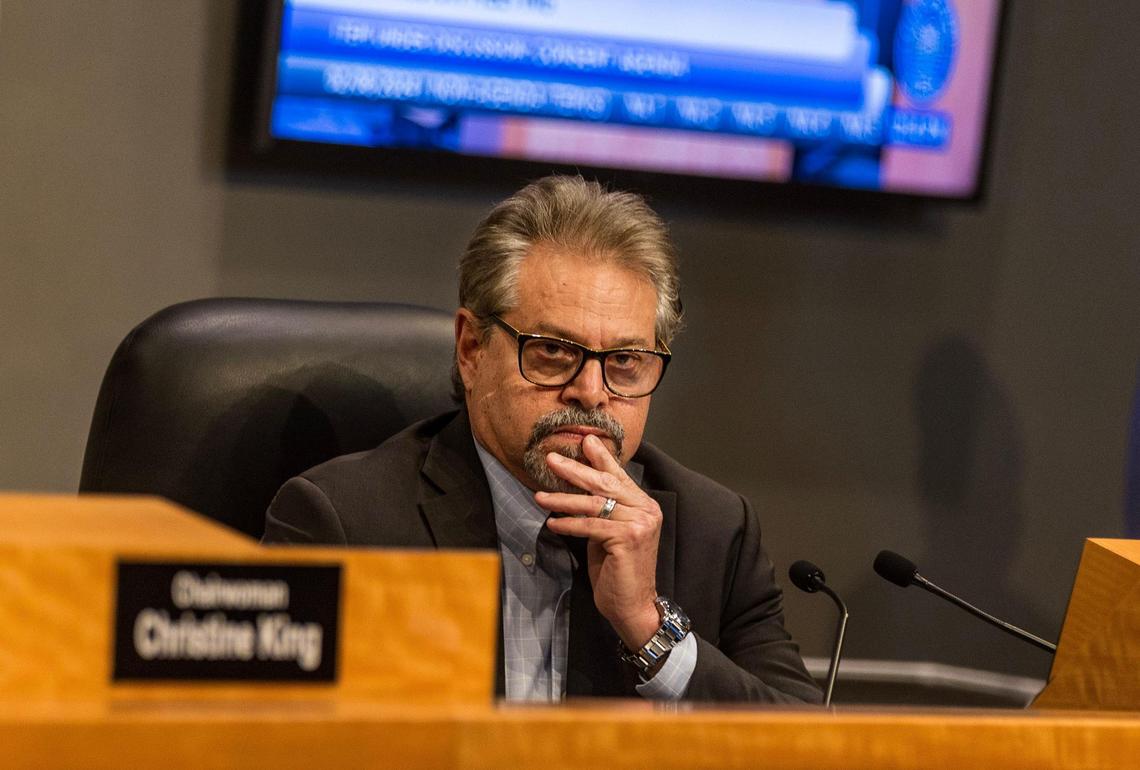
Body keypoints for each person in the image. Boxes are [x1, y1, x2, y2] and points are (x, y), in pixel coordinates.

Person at [263, 175, 821, 704]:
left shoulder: (712, 532)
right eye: (554, 351)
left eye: (624, 361)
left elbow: (813, 752)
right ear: (472, 350)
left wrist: (648, 629)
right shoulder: (345, 524)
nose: (591, 391)